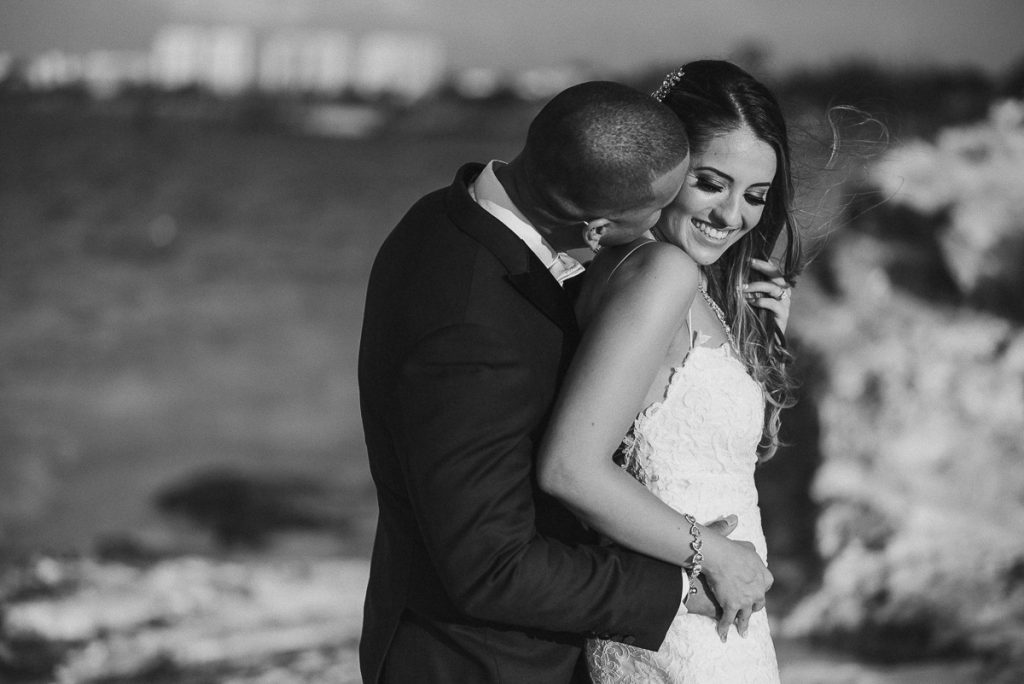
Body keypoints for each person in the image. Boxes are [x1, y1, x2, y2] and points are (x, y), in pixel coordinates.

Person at [359, 80, 724, 684]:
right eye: (658, 209)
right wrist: (684, 583)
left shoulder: (441, 214)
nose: (669, 217)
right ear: (597, 230)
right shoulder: (470, 331)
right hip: (478, 663)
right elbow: (493, 569)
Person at [537, 60, 802, 682]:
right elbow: (568, 468)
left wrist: (764, 342)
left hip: (706, 615)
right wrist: (717, 555)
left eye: (756, 196)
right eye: (711, 183)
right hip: (688, 625)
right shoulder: (662, 275)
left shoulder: (645, 274)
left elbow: (699, 463)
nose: (732, 215)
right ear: (667, 170)